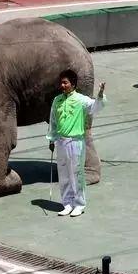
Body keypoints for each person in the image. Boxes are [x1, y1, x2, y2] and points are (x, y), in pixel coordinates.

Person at [46, 70, 106, 217]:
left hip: (76, 142)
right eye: (61, 82)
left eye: (65, 82)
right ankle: (67, 203)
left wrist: (100, 94)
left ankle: (79, 204)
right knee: (64, 175)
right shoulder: (57, 100)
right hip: (61, 142)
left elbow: (95, 106)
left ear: (73, 84)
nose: (62, 85)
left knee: (76, 175)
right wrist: (51, 139)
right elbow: (53, 121)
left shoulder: (81, 100)